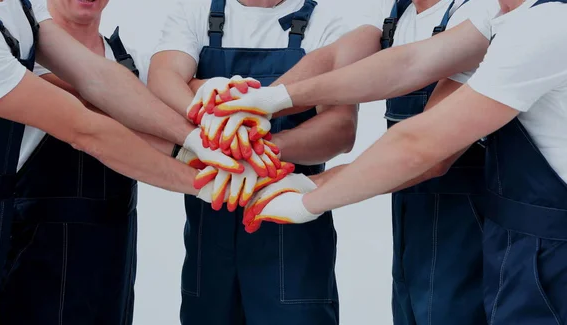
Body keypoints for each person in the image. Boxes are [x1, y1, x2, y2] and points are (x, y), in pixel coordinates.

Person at [242, 0, 567, 324]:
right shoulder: (500, 14)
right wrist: (275, 98)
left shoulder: (545, 25)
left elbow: (422, 145)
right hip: (511, 235)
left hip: (550, 245)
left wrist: (310, 199)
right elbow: (409, 63)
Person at [194, 0, 496, 323]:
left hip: (469, 231)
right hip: (412, 232)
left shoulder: (480, 13)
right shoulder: (393, 11)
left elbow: (427, 151)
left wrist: (315, 188)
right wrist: (264, 101)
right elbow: (336, 59)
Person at [0, 0, 247, 323]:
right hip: (20, 253)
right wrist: (205, 180)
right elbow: (86, 125)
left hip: (102, 268)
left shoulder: (21, 10)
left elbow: (97, 79)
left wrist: (204, 119)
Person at [147, 0, 368, 323]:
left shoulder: (328, 23)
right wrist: (210, 119)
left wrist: (259, 151)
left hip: (291, 229)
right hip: (210, 231)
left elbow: (340, 129)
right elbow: (163, 80)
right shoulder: (194, 14)